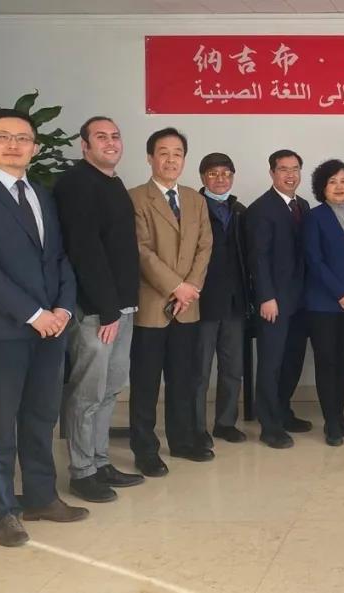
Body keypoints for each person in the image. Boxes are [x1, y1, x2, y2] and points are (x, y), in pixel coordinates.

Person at [0, 109, 86, 547]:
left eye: (22, 138)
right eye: (3, 136)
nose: (13, 144)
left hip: (51, 328)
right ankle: (2, 510)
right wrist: (33, 314)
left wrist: (62, 309)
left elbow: (59, 258)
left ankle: (42, 497)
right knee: (0, 422)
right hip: (5, 329)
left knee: (41, 416)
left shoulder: (42, 195)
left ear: (35, 148)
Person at [54, 116, 144, 504]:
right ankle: (82, 472)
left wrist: (121, 307)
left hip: (122, 307)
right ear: (84, 145)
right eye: (101, 137)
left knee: (110, 390)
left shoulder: (111, 181)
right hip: (97, 310)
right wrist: (107, 309)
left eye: (115, 136)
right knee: (87, 393)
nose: (110, 142)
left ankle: (101, 461)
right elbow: (84, 250)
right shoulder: (77, 184)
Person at [128, 127, 214, 477]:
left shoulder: (195, 199)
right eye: (163, 153)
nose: (170, 160)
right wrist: (175, 286)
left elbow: (205, 246)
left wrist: (191, 287)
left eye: (177, 153)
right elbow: (140, 250)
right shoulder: (135, 198)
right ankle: (145, 449)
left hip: (187, 306)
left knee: (183, 378)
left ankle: (182, 440)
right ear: (150, 158)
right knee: (146, 382)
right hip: (152, 305)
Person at [246, 149, 315, 450]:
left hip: (300, 300)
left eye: (295, 169)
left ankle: (284, 411)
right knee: (271, 363)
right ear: (272, 173)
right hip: (273, 302)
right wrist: (266, 297)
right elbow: (258, 258)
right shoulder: (261, 209)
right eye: (283, 169)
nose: (290, 175)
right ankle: (269, 425)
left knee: (292, 360)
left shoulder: (303, 205)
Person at [304, 159, 344, 446]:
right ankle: (330, 422)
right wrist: (340, 293)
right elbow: (314, 260)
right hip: (324, 304)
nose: (339, 186)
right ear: (322, 187)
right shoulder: (314, 217)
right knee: (327, 362)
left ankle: (339, 415)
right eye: (332, 181)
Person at [193, 152, 251, 446]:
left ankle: (225, 423)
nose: (220, 179)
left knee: (232, 368)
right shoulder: (192, 207)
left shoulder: (240, 210)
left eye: (226, 174)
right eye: (214, 173)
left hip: (234, 302)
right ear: (203, 177)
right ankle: (196, 427)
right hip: (202, 301)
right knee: (199, 370)